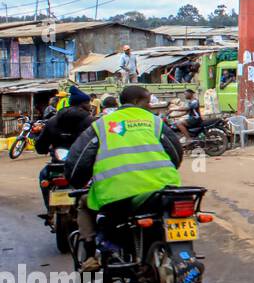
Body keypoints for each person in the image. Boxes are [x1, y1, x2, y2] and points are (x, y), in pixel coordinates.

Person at [66, 84, 184, 272]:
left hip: (118, 195)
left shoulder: (103, 124)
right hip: (165, 189)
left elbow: (77, 162)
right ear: (137, 102)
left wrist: (76, 182)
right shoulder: (154, 122)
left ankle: (90, 256)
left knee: (84, 203)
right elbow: (176, 153)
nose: (151, 106)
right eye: (148, 102)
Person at [34, 85, 95, 214]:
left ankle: (49, 211)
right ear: (84, 104)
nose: (90, 105)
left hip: (57, 164)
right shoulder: (91, 122)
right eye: (88, 103)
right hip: (83, 165)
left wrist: (46, 148)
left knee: (44, 177)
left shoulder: (52, 121)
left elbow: (40, 147)